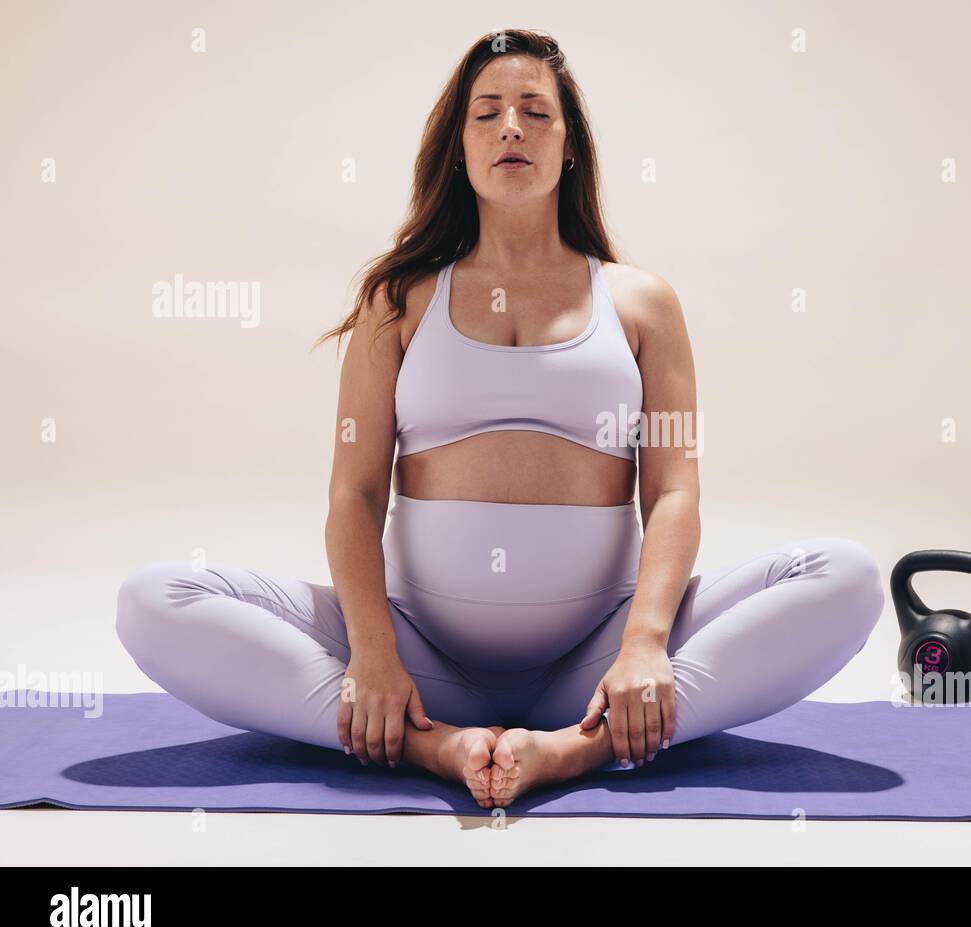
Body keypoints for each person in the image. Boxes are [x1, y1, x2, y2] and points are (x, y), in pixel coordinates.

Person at [115, 29, 885, 809]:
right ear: (460, 147)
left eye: (535, 112)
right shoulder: (399, 302)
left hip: (598, 662)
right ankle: (431, 743)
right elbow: (353, 496)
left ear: (571, 147)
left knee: (844, 576)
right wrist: (376, 657)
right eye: (487, 113)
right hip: (421, 662)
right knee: (155, 598)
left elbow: (675, 491)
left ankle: (571, 750)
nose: (511, 127)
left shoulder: (643, 303)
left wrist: (646, 642)